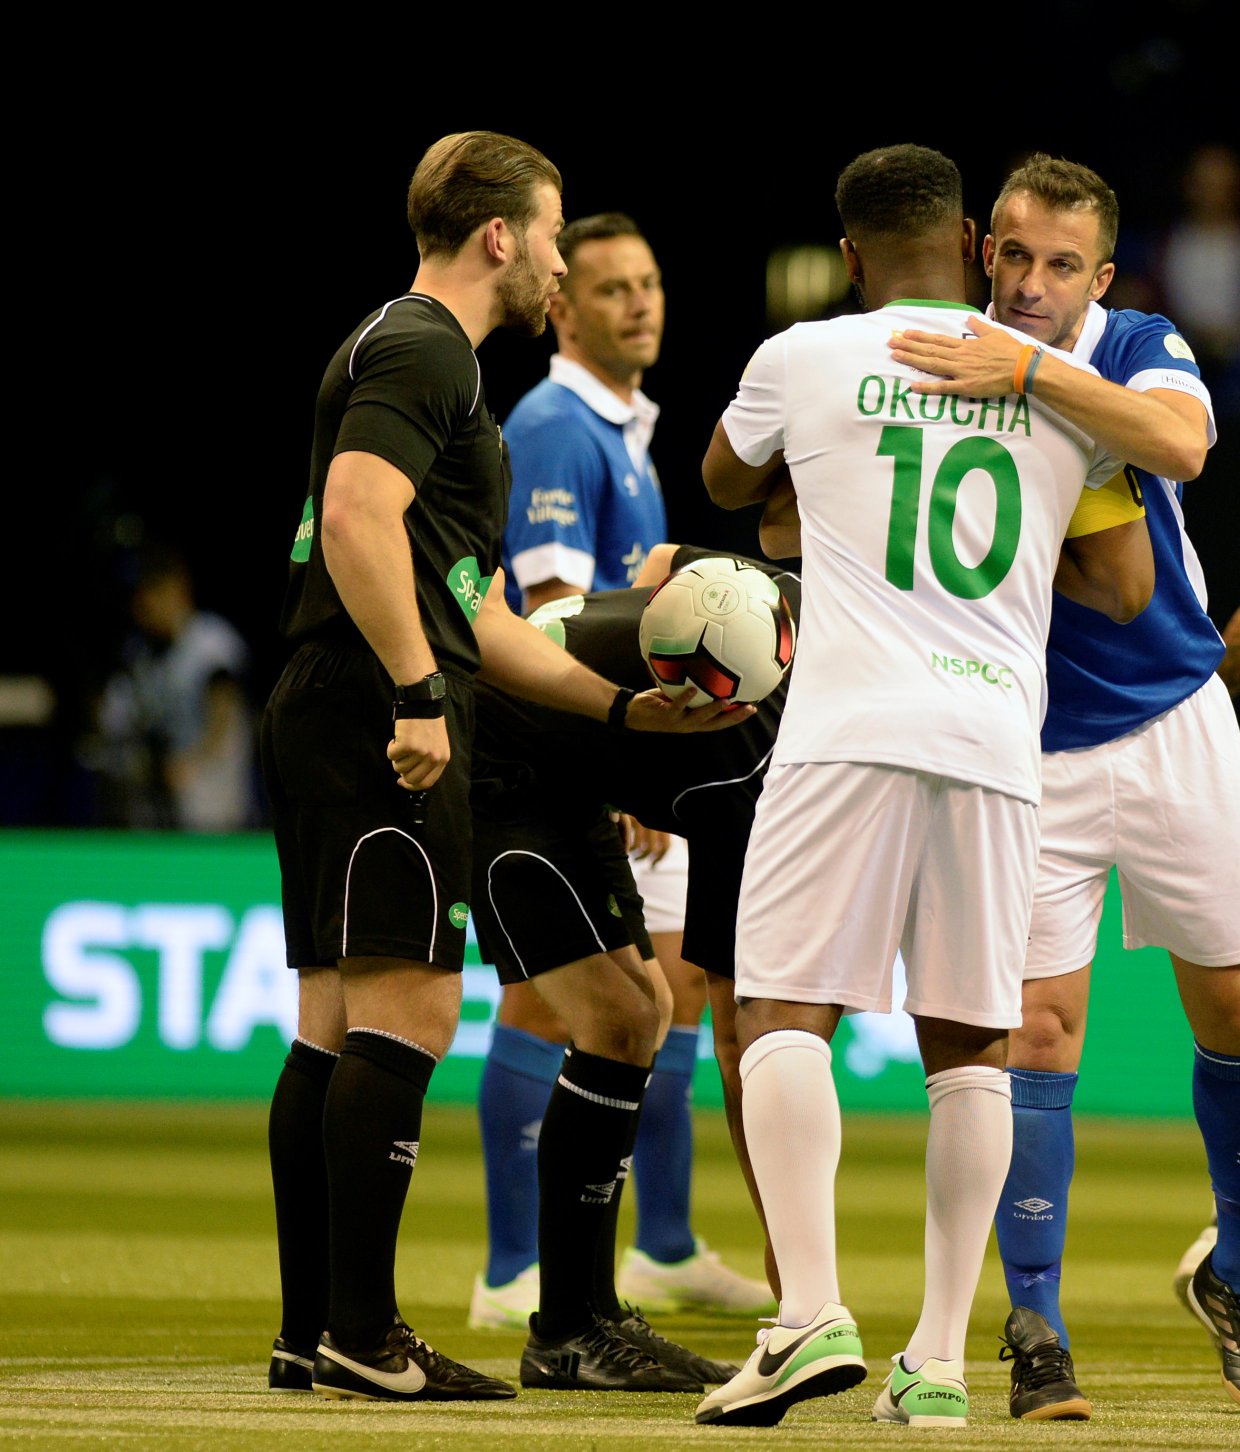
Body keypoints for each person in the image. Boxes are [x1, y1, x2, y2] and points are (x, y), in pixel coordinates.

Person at [259, 130, 733, 1404]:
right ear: (499, 237)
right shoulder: (425, 347)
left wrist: (617, 713)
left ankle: (318, 1331)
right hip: (376, 709)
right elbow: (359, 517)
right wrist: (418, 693)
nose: (561, 262)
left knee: (331, 1024)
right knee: (406, 1011)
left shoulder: (408, 347)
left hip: (335, 700)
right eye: (552, 230)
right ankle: (364, 1331)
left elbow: (476, 610)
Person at [693, 144, 1152, 1429]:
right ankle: (940, 1358)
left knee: (778, 1015)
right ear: (968, 245)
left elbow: (726, 485)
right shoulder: (1059, 383)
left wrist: (816, 482)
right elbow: (1124, 587)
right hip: (997, 742)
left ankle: (806, 1316)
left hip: (843, 729)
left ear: (848, 255)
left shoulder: (801, 356)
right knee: (972, 1050)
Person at [885, 154, 1240, 1418]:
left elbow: (1181, 441)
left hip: (1175, 718)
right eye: (1012, 255)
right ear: (977, 250)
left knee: (1236, 1020)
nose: (1031, 282)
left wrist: (1028, 374)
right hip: (1027, 745)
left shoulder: (1136, 343)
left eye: (1061, 263)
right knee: (1035, 1034)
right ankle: (1037, 1325)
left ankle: (1236, 1269)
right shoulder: (926, 357)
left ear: (1099, 277)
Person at [471, 212, 772, 1332]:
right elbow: (551, 610)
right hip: (573, 743)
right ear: (561, 306)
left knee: (665, 989)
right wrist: (606, 759)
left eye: (648, 283)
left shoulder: (622, 427)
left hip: (608, 736)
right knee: (558, 1003)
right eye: (609, 289)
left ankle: (660, 1243)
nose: (638, 303)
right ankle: (512, 1267)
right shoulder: (556, 422)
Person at [467, 547, 797, 1388]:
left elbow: (662, 559)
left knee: (640, 1013)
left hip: (570, 762)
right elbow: (738, 1034)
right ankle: (566, 1328)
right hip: (492, 759)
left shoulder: (789, 606)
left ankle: (586, 1318)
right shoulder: (735, 774)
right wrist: (795, 1272)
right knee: (618, 1018)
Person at [93, 546, 256, 831]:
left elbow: (225, 712)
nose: (145, 607)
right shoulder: (142, 655)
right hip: (164, 797)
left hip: (212, 789)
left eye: (153, 593)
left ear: (176, 590)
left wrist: (194, 761)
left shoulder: (210, 639)